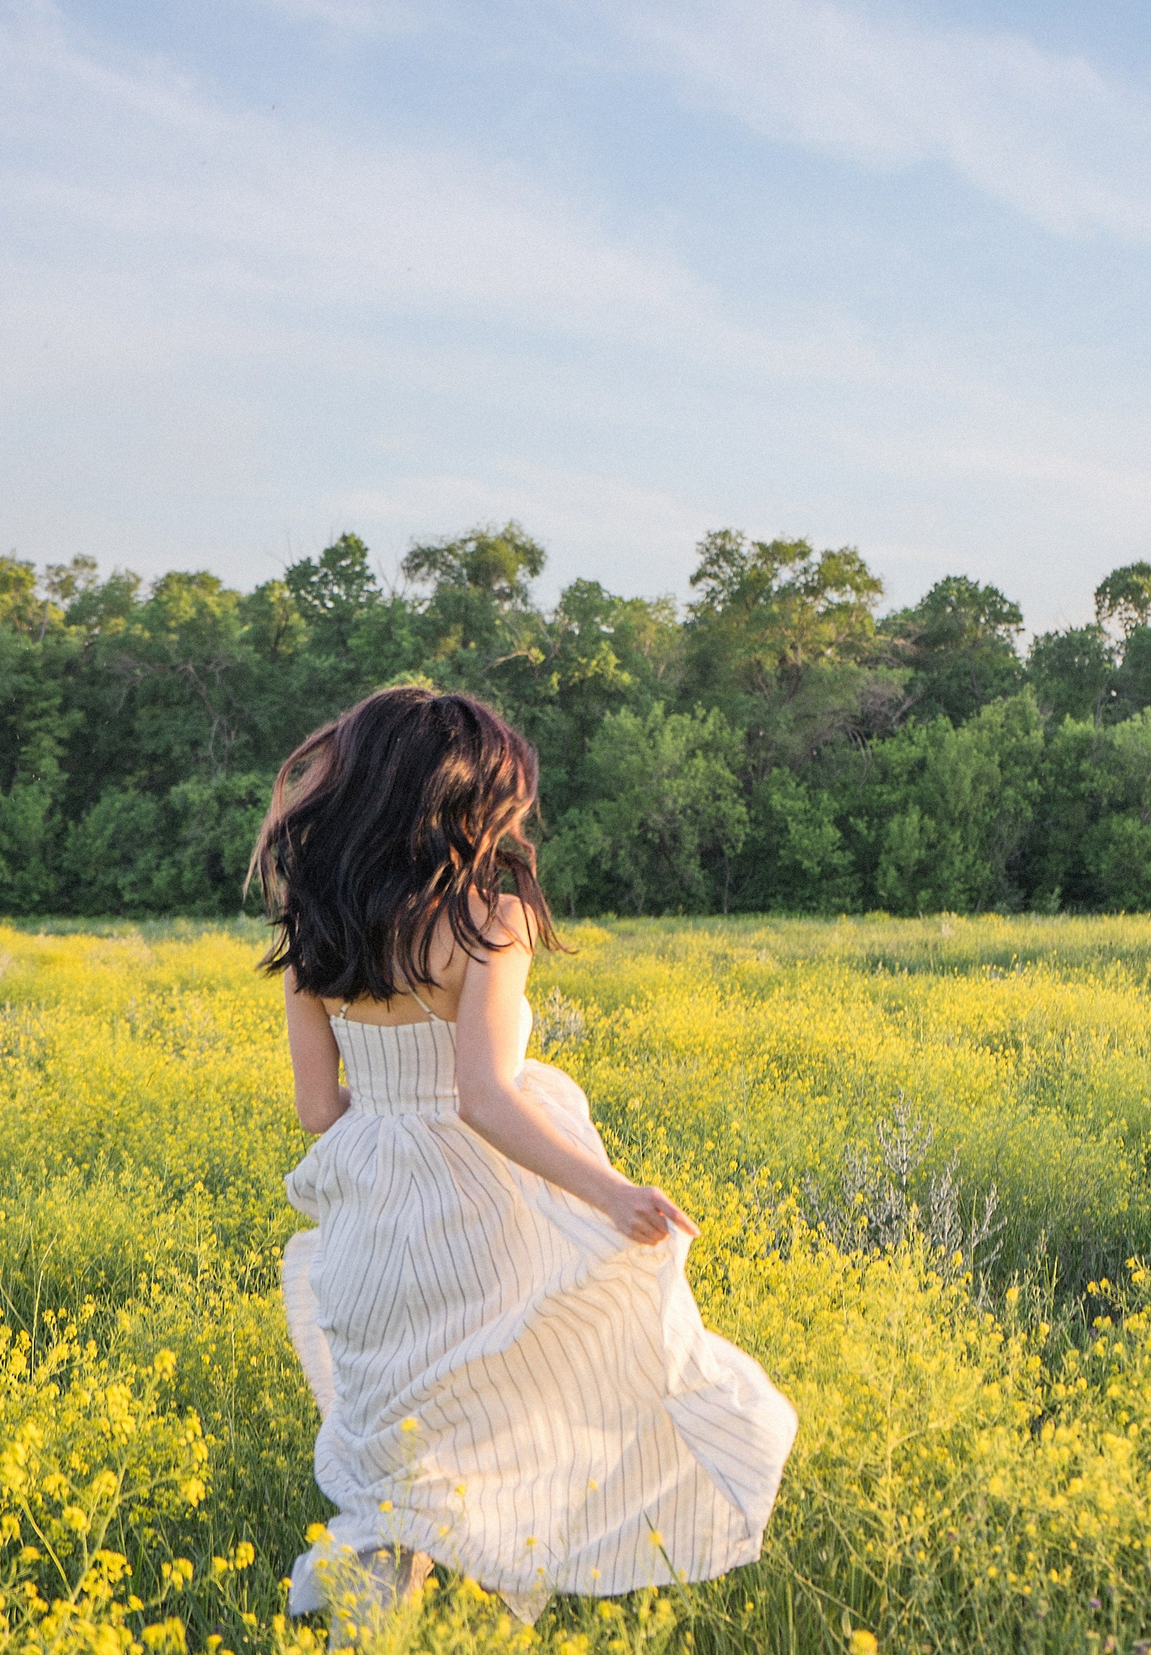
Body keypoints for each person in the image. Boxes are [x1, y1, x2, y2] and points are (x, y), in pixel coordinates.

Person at [252, 686, 795, 1629]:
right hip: (478, 1210)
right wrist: (615, 1191)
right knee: (527, 1421)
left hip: (372, 1219)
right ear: (456, 801)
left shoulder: (313, 918)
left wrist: (389, 1143)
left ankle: (364, 1631)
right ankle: (499, 1619)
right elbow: (486, 1097)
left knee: (400, 1475)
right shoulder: (485, 920)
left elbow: (316, 1110)